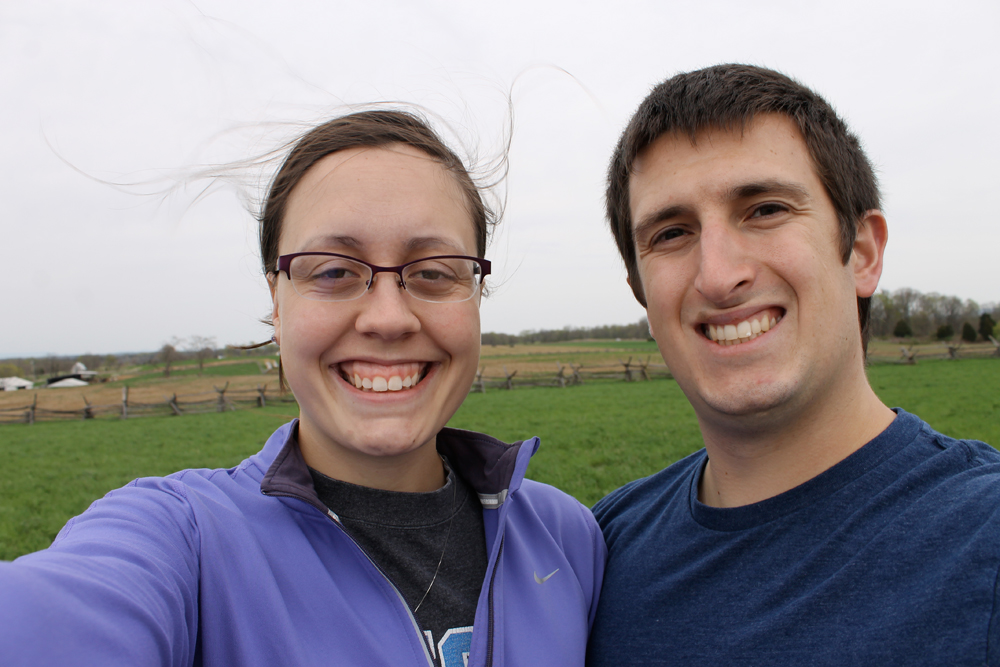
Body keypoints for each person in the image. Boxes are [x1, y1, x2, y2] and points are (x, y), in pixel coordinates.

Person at [0, 110, 605, 667]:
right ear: (276, 300)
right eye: (335, 271)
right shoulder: (184, 539)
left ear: (475, 296)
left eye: (433, 272)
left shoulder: (567, 537)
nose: (389, 318)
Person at [587, 64, 1000, 665]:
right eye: (672, 233)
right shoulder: (599, 551)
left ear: (861, 252)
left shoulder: (982, 538)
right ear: (642, 294)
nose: (719, 275)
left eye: (765, 210)